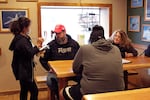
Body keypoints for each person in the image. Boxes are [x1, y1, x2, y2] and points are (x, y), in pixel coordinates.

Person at [60, 25, 125, 100]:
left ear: (91, 38)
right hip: (118, 90)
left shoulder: (85, 48)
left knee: (62, 93)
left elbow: (75, 69)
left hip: (91, 91)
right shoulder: (116, 49)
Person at [9, 17, 47, 100]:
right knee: (34, 91)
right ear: (24, 28)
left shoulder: (21, 38)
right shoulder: (21, 41)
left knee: (24, 90)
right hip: (24, 71)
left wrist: (38, 48)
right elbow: (30, 53)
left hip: (22, 69)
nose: (29, 28)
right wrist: (38, 44)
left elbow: (28, 51)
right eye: (29, 26)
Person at [39, 24, 80, 99]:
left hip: (72, 72)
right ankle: (58, 96)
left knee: (84, 78)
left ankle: (72, 95)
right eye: (56, 33)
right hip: (55, 73)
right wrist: (49, 69)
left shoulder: (74, 44)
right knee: (50, 81)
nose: (57, 35)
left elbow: (80, 58)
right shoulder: (50, 45)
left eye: (59, 33)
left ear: (64, 32)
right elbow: (42, 59)